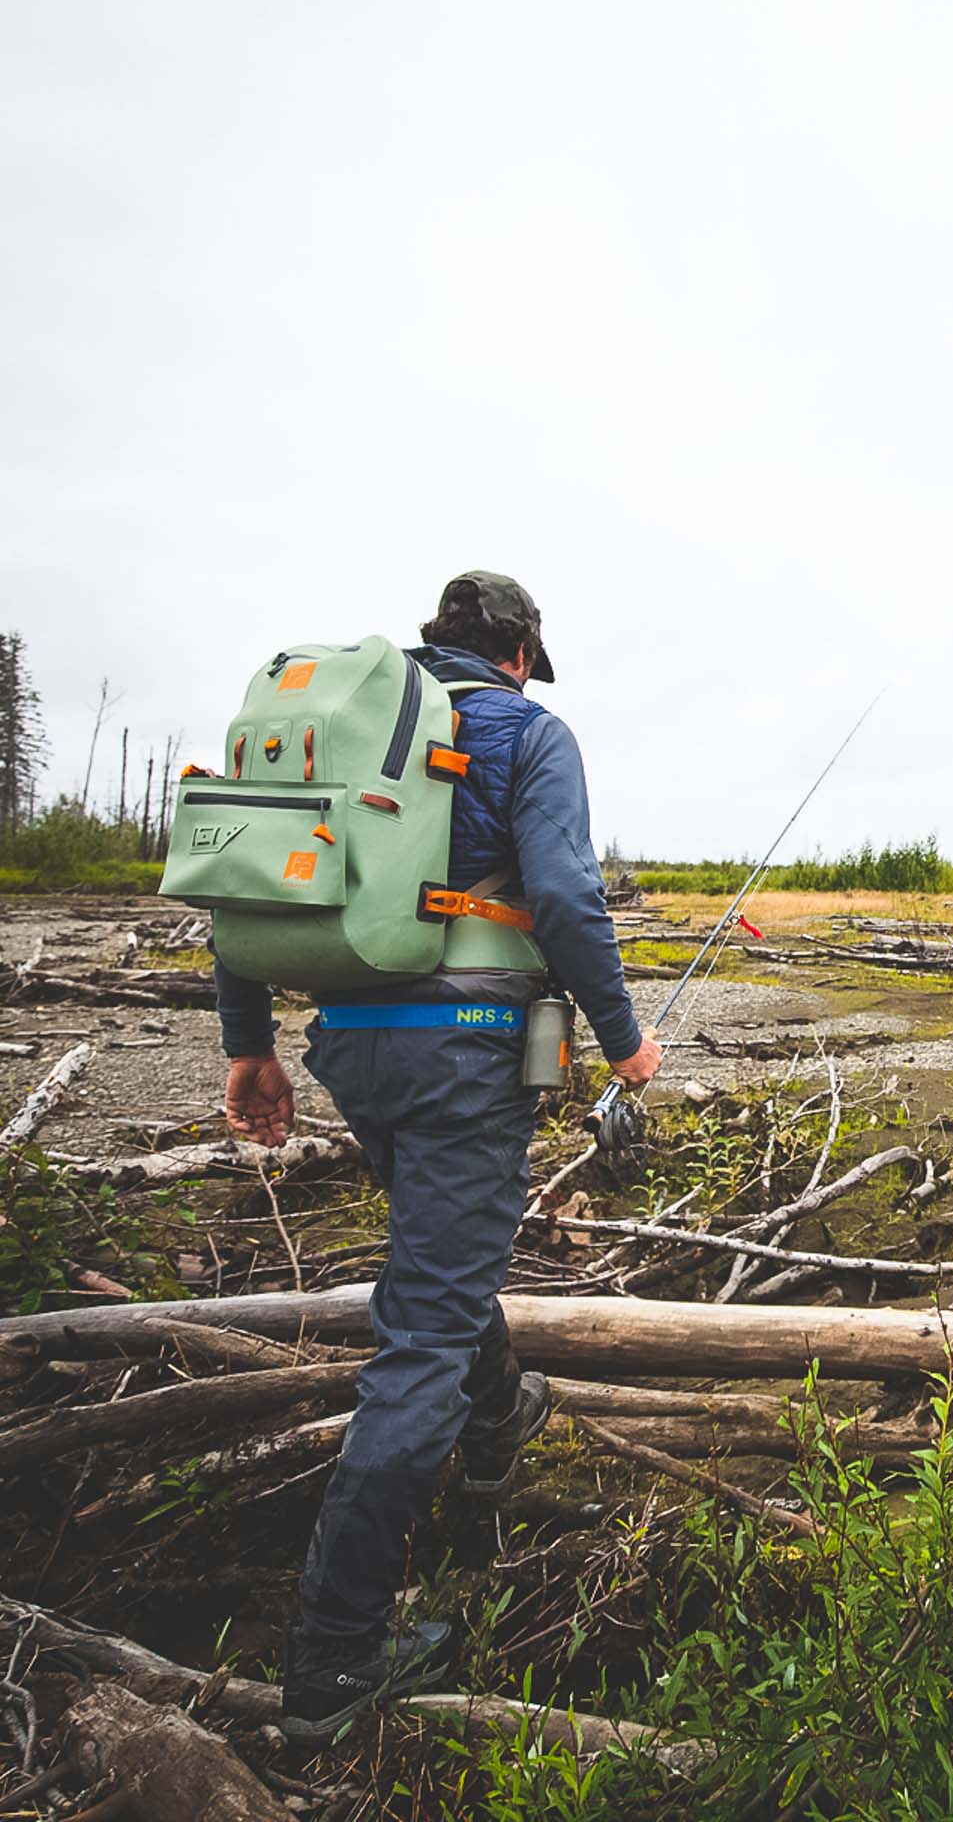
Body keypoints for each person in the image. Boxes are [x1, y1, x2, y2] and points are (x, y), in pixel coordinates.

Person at [214, 571, 662, 1742]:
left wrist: (248, 1048)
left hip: (350, 1048)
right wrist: (625, 1042)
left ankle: (498, 1422)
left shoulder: (356, 728)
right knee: (423, 1328)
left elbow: (255, 871)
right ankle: (334, 1655)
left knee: (440, 1265)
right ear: (519, 650)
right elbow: (564, 895)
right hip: (466, 1053)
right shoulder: (527, 729)